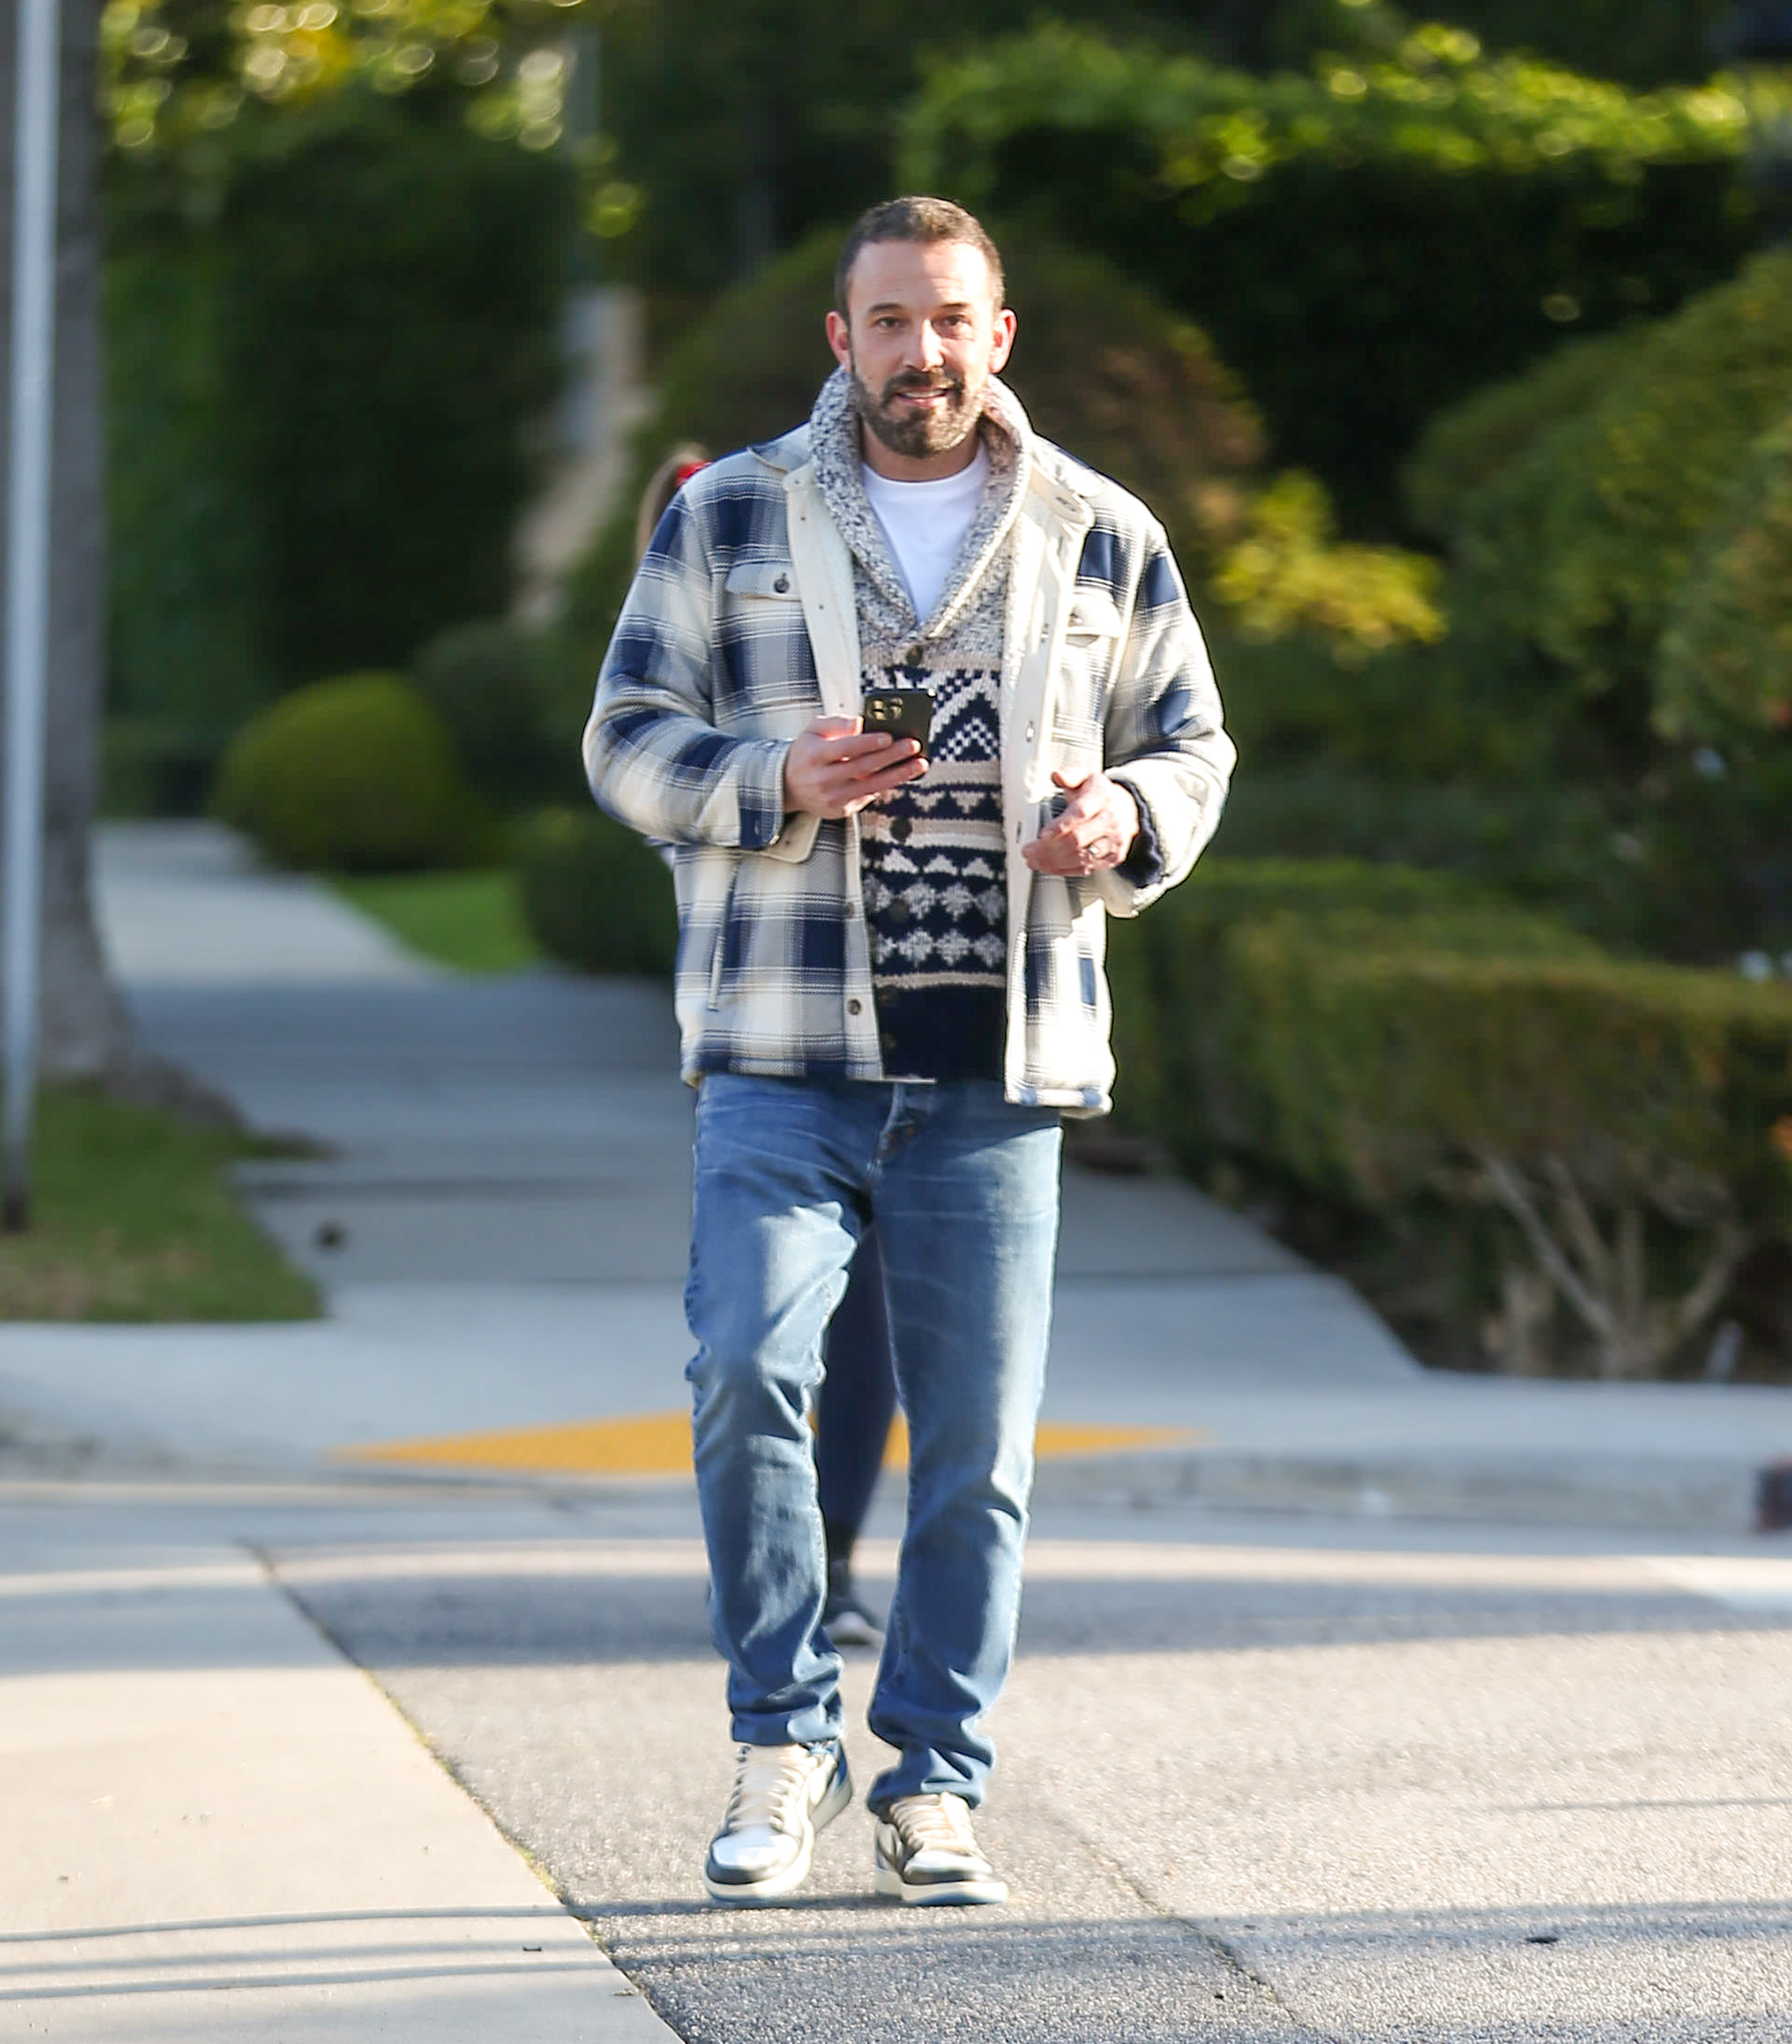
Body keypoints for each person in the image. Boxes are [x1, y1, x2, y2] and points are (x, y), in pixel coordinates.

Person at [586, 195, 1233, 1908]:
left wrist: (1122, 812)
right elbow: (625, 740)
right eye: (888, 321)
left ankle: (934, 1778)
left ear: (996, 334)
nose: (920, 351)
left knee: (976, 1452)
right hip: (781, 1050)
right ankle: (779, 1739)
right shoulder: (728, 515)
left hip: (994, 1069)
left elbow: (1190, 738)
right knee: (742, 1367)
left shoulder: (1097, 530)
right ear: (841, 340)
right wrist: (767, 781)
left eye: (950, 319)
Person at [635, 448, 900, 1654]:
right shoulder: (686, 630)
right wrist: (778, 778)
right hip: (770, 1028)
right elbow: (644, 769)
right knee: (755, 1344)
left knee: (870, 1320)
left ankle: (834, 1563)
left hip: (934, 1026)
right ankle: (785, 1588)